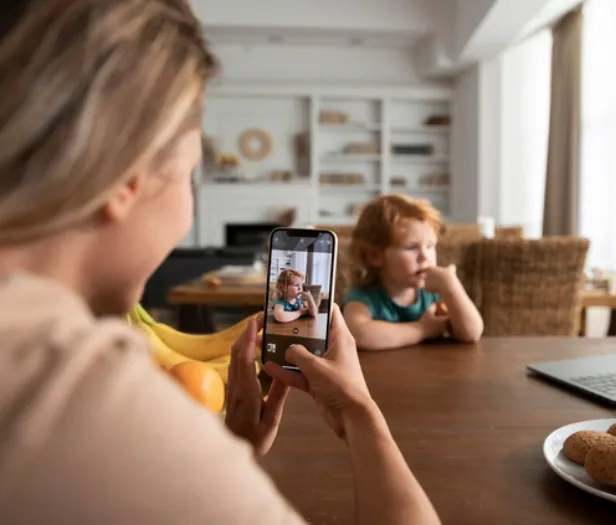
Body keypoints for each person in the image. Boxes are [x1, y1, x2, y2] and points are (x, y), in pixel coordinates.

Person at [0, 2, 440, 524]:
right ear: (126, 179)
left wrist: (229, 461)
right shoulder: (79, 390)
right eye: (189, 175)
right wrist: (363, 416)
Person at [343, 194, 484, 351]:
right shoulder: (365, 296)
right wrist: (421, 329)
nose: (425, 256)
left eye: (430, 246)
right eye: (411, 247)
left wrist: (452, 287)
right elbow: (358, 334)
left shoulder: (434, 294)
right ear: (375, 256)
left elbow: (471, 334)